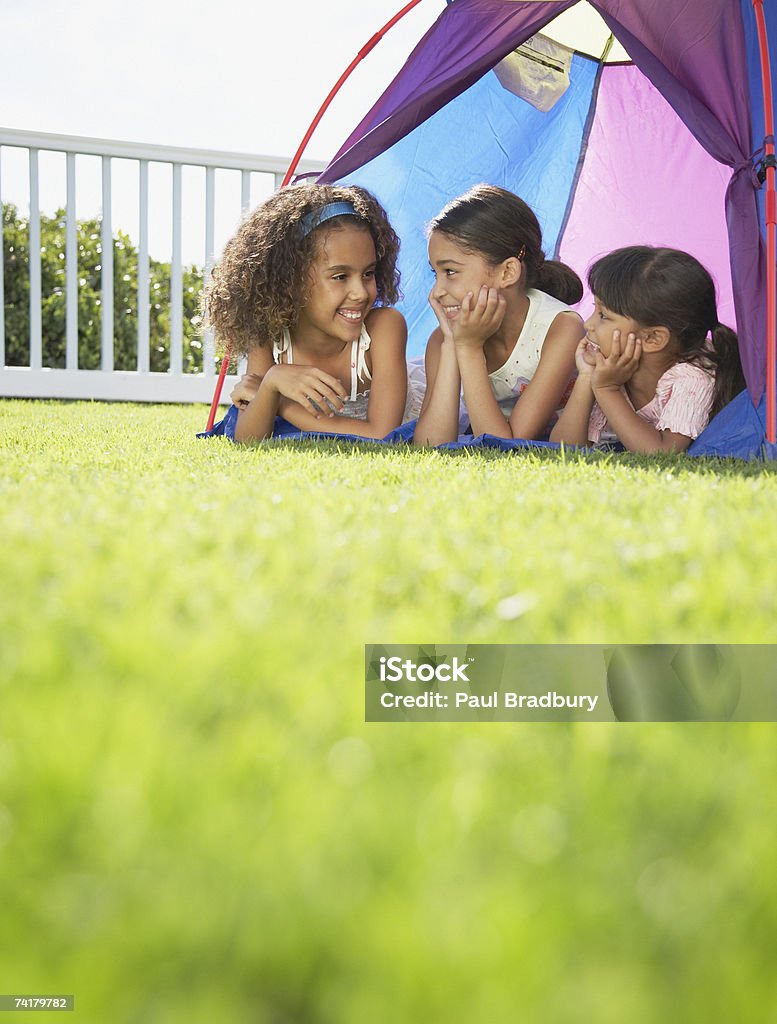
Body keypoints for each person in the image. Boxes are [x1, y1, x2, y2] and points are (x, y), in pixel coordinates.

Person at [203, 183, 408, 442]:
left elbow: (381, 434)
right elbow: (247, 439)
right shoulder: (270, 335)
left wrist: (279, 404)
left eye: (368, 273)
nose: (361, 292)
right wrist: (273, 381)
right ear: (292, 281)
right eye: (340, 276)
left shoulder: (384, 328)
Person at [413, 184, 585, 446]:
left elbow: (506, 446)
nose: (435, 293)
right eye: (434, 274)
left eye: (450, 272)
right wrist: (452, 345)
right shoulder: (444, 339)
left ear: (507, 273)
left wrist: (469, 350)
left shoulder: (562, 328)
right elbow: (429, 444)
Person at [550, 246, 746, 453]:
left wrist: (607, 390)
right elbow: (562, 448)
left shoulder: (690, 379)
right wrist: (587, 376)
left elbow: (663, 455)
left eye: (604, 316)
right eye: (594, 308)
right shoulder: (612, 366)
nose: (588, 324)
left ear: (653, 338)